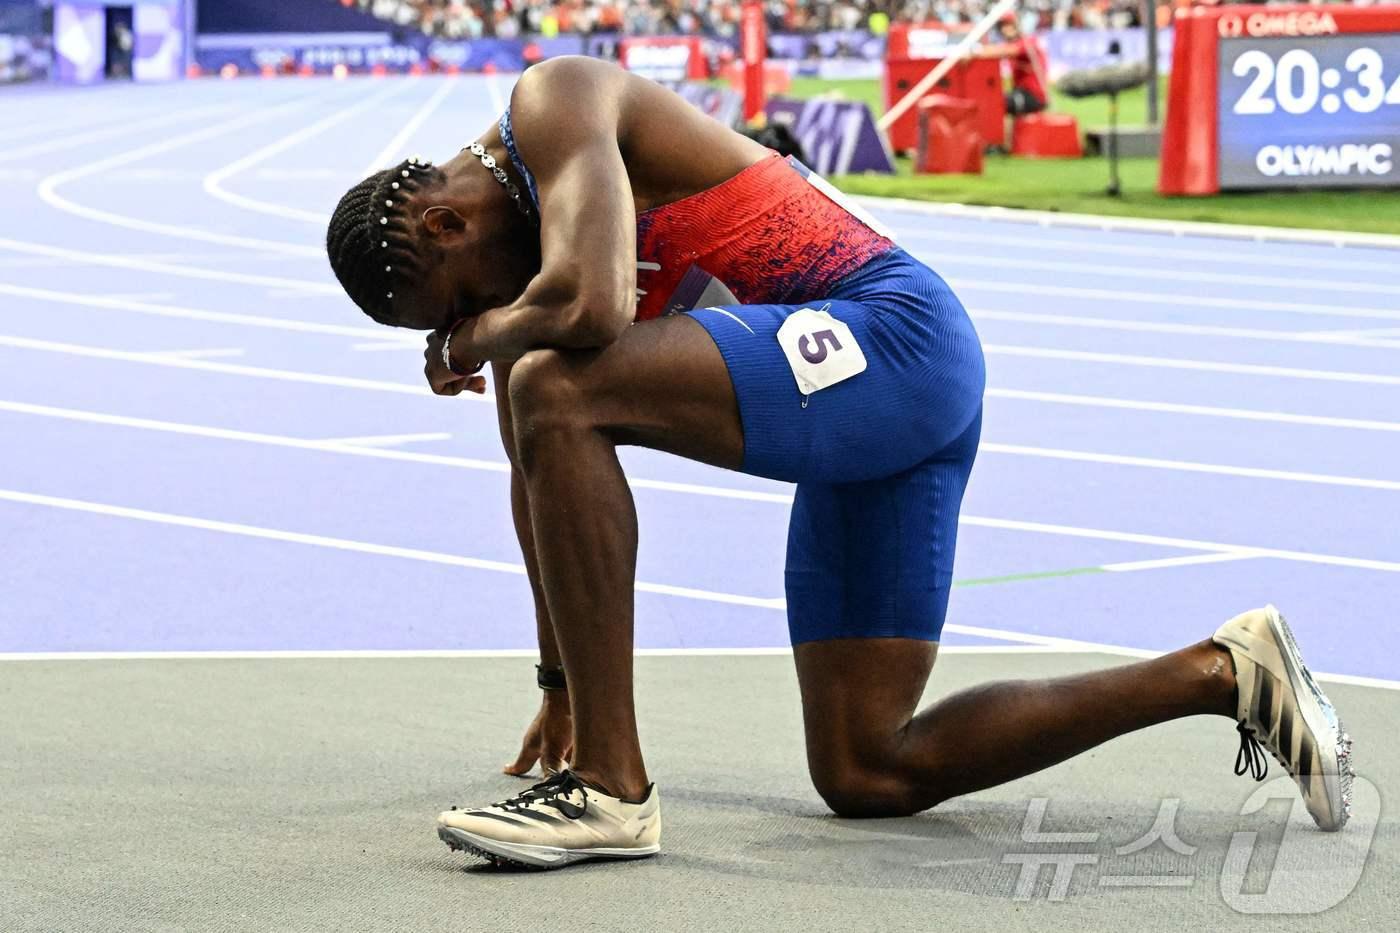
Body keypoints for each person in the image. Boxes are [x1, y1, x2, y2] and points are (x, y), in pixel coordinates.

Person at [325, 57, 1354, 870]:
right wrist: (560, 678)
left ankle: (609, 787)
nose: (476, 327)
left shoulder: (554, 104)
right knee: (867, 767)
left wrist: (467, 342)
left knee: (554, 376)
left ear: (447, 223)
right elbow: (531, 463)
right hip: (864, 405)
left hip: (896, 337)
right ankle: (1226, 672)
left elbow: (587, 315)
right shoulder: (518, 296)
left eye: (458, 303)